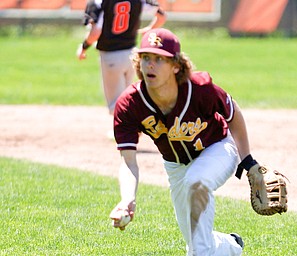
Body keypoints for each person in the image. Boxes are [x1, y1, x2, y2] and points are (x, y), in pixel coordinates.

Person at [109, 28, 258, 255]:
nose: (150, 64)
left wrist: (247, 161)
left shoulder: (199, 90)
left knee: (196, 182)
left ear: (176, 65)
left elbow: (232, 112)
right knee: (196, 241)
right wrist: (127, 199)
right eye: (146, 57)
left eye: (160, 59)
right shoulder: (129, 104)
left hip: (217, 149)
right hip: (175, 166)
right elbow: (128, 162)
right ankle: (232, 246)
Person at [76, 0, 167, 115]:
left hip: (111, 55)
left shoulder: (99, 2)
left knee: (116, 103)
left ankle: (122, 132)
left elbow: (96, 32)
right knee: (128, 98)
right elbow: (162, 16)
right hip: (132, 54)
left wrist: (84, 47)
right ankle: (133, 129)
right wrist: (149, 29)